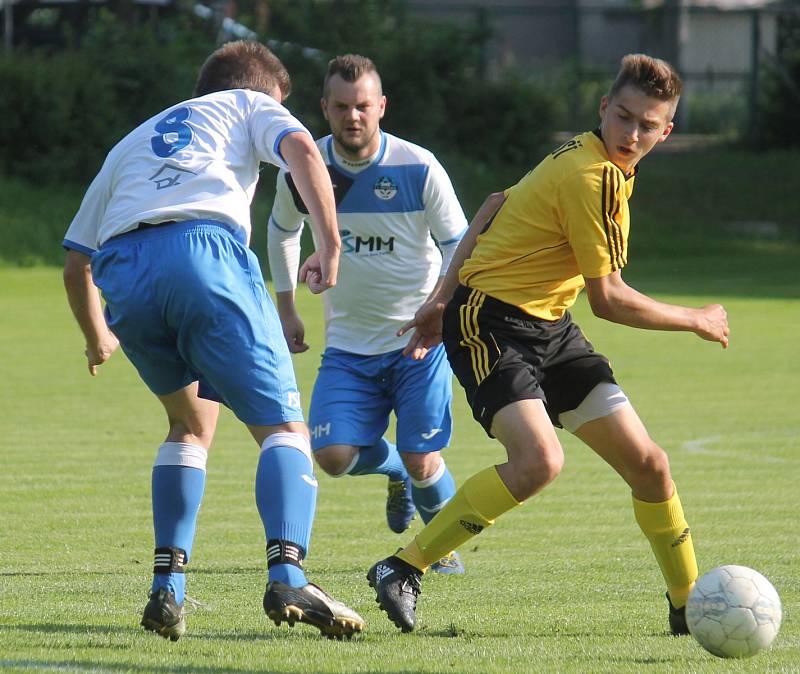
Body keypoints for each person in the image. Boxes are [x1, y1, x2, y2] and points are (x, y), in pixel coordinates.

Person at [367, 53, 730, 634]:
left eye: (647, 125)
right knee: (539, 461)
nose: (631, 134)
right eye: (624, 117)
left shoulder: (586, 157)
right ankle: (403, 567)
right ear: (603, 108)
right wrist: (697, 318)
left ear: (667, 131)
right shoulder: (592, 174)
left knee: (651, 467)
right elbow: (608, 298)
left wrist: (439, 294)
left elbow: (491, 205)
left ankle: (687, 605)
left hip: (550, 327)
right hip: (489, 321)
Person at [62, 40, 365, 641]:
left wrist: (98, 337)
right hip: (204, 252)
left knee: (189, 426)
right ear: (263, 91)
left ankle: (167, 589)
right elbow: (303, 148)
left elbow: (77, 261)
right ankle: (288, 571)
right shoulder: (251, 106)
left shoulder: (133, 140)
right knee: (283, 428)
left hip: (126, 272)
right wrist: (328, 243)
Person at [267, 54, 469, 573]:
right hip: (348, 347)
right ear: (325, 109)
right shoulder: (304, 168)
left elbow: (460, 245)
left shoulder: (418, 166)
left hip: (417, 345)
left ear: (381, 106)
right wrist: (287, 306)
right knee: (332, 456)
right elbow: (282, 232)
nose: (352, 117)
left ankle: (438, 547)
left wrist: (440, 308)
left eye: (362, 106)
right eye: (341, 107)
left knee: (427, 460)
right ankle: (395, 467)